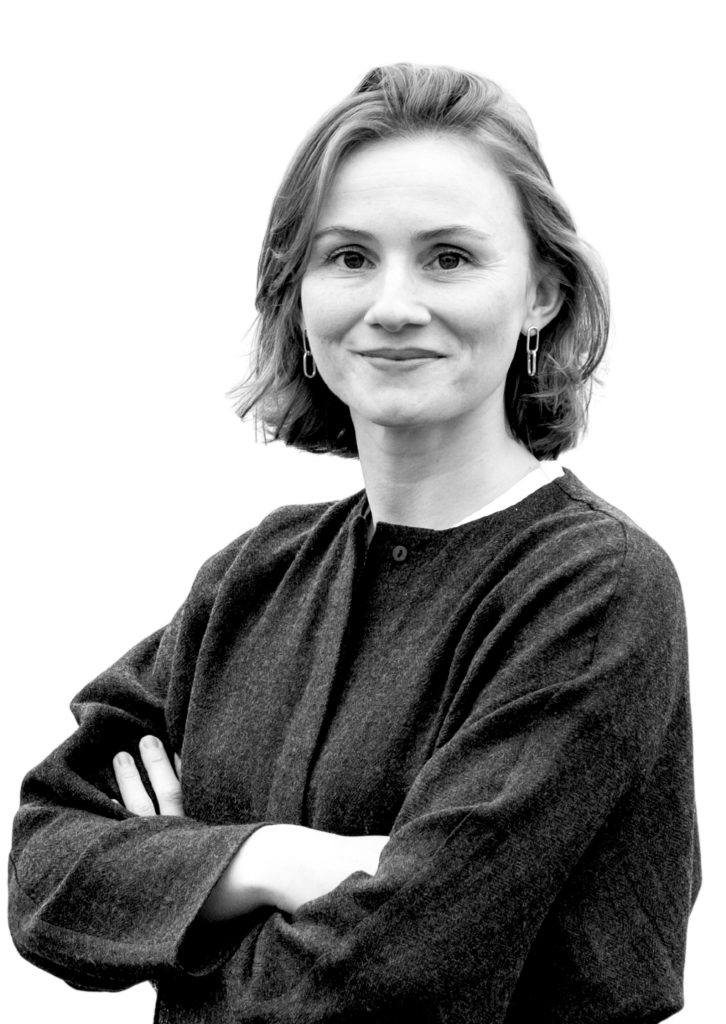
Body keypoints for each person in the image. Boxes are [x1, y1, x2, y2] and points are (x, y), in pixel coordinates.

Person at [7, 60, 701, 1022]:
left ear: (541, 292)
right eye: (348, 257)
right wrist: (277, 860)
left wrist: (178, 890)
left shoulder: (595, 587)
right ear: (298, 295)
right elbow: (41, 867)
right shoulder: (255, 572)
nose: (394, 305)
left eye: (449, 257)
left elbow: (399, 976)